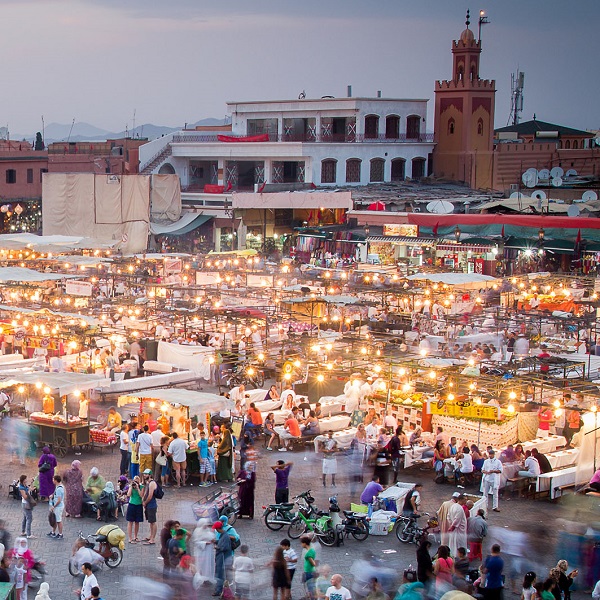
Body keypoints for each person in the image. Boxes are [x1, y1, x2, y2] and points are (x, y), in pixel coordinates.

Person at [192, 518, 215, 585]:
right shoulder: (197, 531)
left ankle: (207, 577)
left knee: (208, 564)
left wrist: (212, 540)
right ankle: (201, 577)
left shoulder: (207, 530)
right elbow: (196, 542)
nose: (206, 526)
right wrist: (205, 543)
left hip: (209, 551)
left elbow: (210, 536)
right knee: (201, 564)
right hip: (201, 551)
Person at [213, 521, 233, 597]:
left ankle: (219, 590)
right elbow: (222, 542)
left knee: (220, 575)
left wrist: (217, 547)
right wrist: (216, 541)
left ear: (218, 528)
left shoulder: (225, 536)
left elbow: (224, 547)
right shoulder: (223, 535)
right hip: (220, 559)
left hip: (222, 559)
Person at [141, 469, 158, 544]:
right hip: (148, 505)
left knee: (153, 522)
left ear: (150, 475)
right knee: (150, 522)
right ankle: (150, 536)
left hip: (151, 505)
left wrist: (145, 502)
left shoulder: (152, 483)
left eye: (146, 474)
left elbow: (150, 496)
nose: (144, 475)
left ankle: (153, 538)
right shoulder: (148, 483)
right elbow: (146, 493)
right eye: (144, 474)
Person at [126, 475, 143, 544]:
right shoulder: (131, 487)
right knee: (130, 522)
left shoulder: (141, 487)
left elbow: (141, 495)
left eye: (137, 480)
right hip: (132, 504)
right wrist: (131, 487)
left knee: (137, 522)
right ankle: (130, 538)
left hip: (139, 505)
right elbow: (128, 495)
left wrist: (138, 488)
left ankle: (135, 536)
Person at [47, 475, 65, 539]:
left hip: (58, 507)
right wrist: (52, 495)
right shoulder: (58, 486)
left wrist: (54, 506)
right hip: (57, 506)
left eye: (53, 479)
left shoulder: (59, 489)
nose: (52, 480)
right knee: (55, 519)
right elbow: (55, 492)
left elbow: (59, 500)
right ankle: (53, 532)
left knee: (58, 520)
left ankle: (60, 534)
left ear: (56, 480)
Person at [301, 536, 317, 600]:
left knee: (310, 586)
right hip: (311, 571)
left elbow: (313, 563)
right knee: (311, 586)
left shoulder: (308, 553)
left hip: (308, 571)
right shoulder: (312, 550)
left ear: (305, 543)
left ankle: (311, 597)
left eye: (302, 543)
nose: (301, 545)